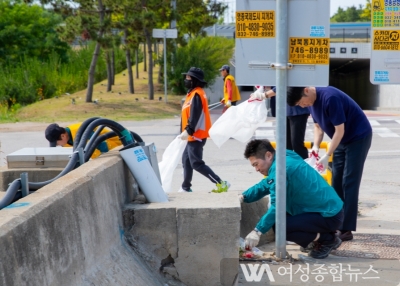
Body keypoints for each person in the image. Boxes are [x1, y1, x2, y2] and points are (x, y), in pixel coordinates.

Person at [287, 86, 372, 241]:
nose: (302, 106)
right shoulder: (311, 102)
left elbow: (340, 130)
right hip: (341, 140)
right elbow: (318, 126)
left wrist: (327, 154)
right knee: (336, 180)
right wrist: (315, 146)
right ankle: (337, 221)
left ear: (306, 90)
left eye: (301, 102)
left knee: (349, 181)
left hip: (358, 137)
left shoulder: (329, 98)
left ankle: (346, 229)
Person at [240, 139, 344, 259]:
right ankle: (317, 236)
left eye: (256, 164)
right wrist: (244, 196)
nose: (256, 169)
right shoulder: (284, 156)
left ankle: (328, 239)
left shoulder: (280, 170)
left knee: (280, 228)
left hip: (328, 215)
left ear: (268, 155)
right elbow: (266, 184)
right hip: (328, 208)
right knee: (282, 220)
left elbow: (277, 205)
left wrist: (257, 231)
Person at [179, 67, 230, 192]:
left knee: (196, 163)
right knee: (186, 161)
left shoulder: (197, 94)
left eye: (188, 78)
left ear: (195, 80)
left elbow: (195, 115)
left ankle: (221, 183)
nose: (186, 79)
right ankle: (186, 187)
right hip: (192, 135)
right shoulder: (192, 94)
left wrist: (188, 130)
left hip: (196, 135)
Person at [250, 87, 310, 159]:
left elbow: (283, 85)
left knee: (296, 143)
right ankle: (288, 165)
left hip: (298, 110)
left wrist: (264, 95)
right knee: (286, 144)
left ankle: (304, 166)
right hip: (284, 110)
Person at [45, 123, 122, 159]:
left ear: (63, 136)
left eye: (57, 143)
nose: (58, 145)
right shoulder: (65, 140)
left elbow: (100, 145)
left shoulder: (82, 131)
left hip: (116, 144)